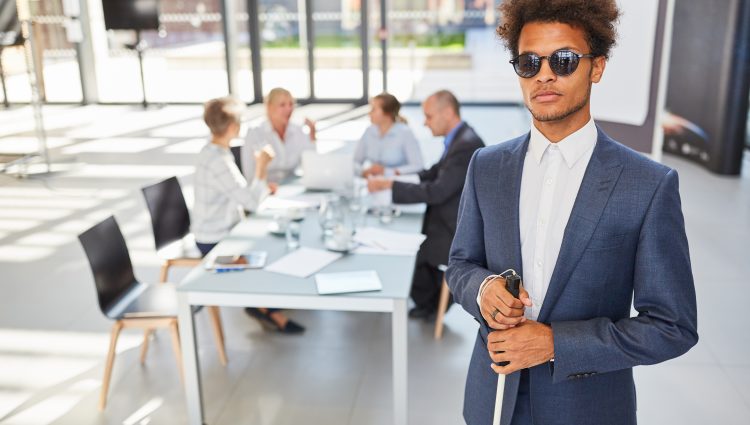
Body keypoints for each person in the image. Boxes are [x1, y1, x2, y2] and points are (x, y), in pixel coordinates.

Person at [446, 1, 698, 424]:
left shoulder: (648, 185)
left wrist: (554, 344)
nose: (544, 74)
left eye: (563, 60)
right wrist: (483, 288)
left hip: (587, 409)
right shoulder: (486, 167)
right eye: (528, 62)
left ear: (596, 67)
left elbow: (673, 326)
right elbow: (459, 265)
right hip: (491, 401)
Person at [368, 90, 484, 319]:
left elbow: (438, 191)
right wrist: (391, 182)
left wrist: (391, 188)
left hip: (452, 227)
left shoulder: (466, 145)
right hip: (445, 216)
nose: (425, 122)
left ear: (448, 113)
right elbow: (433, 173)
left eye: (429, 116)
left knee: (408, 252)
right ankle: (430, 303)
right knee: (402, 231)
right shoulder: (460, 138)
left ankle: (435, 302)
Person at [193, 96, 305, 334]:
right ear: (233, 127)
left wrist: (262, 183)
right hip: (215, 241)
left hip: (222, 229)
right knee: (272, 249)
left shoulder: (213, 152)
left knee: (271, 243)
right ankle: (268, 309)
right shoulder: (218, 161)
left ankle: (265, 307)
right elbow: (252, 203)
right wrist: (262, 167)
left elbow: (243, 195)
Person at [242, 87, 316, 183]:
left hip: (292, 188)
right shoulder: (254, 132)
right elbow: (250, 175)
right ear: (269, 107)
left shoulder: (298, 130)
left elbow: (311, 165)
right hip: (265, 191)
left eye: (291, 104)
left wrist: (312, 135)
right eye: (282, 105)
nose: (288, 109)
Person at [354, 92, 423, 177]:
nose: (369, 113)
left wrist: (387, 171)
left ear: (387, 113)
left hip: (397, 184)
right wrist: (362, 172)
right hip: (373, 184)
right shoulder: (369, 131)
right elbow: (355, 161)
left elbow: (418, 166)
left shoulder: (405, 133)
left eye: (373, 109)